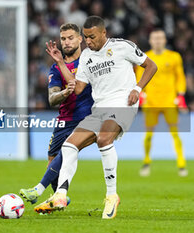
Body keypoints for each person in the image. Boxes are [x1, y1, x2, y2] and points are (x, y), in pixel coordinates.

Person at [35, 16, 157, 219]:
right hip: (99, 107)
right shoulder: (86, 58)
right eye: (86, 37)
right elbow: (79, 87)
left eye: (92, 37)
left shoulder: (122, 46)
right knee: (69, 145)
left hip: (123, 102)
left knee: (103, 138)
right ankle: (61, 194)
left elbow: (151, 66)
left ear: (103, 33)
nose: (88, 41)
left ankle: (111, 195)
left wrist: (137, 88)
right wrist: (60, 64)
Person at [19, 23, 93, 207]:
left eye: (70, 38)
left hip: (87, 118)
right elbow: (52, 99)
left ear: (80, 39)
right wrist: (64, 93)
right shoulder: (56, 69)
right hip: (64, 120)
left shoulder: (90, 61)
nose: (66, 42)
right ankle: (59, 198)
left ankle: (38, 189)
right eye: (63, 39)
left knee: (68, 149)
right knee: (53, 160)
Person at [137, 29, 188, 177]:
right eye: (155, 38)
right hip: (151, 102)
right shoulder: (145, 57)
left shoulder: (174, 57)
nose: (158, 41)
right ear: (151, 41)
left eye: (160, 38)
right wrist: (141, 94)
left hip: (169, 101)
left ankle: (181, 164)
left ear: (165, 40)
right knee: (148, 135)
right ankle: (146, 162)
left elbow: (180, 77)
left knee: (175, 134)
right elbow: (139, 78)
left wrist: (181, 95)